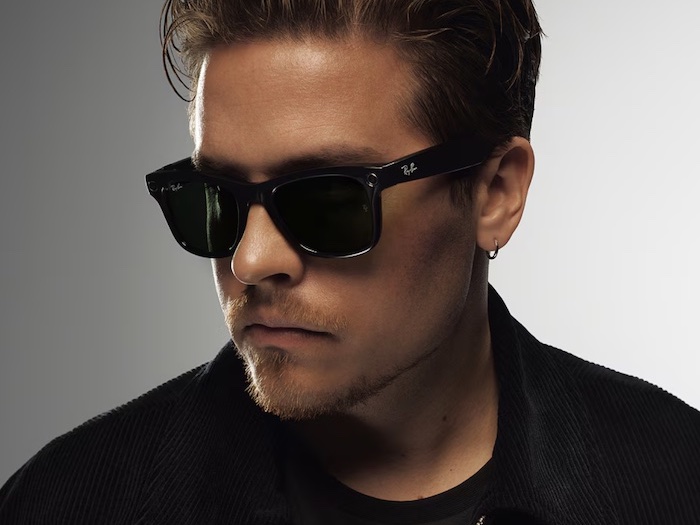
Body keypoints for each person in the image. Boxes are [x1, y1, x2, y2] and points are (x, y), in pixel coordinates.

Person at [1, 0, 699, 523]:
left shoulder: (673, 483)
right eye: (216, 198)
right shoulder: (66, 502)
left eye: (329, 200)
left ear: (495, 192)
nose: (250, 258)